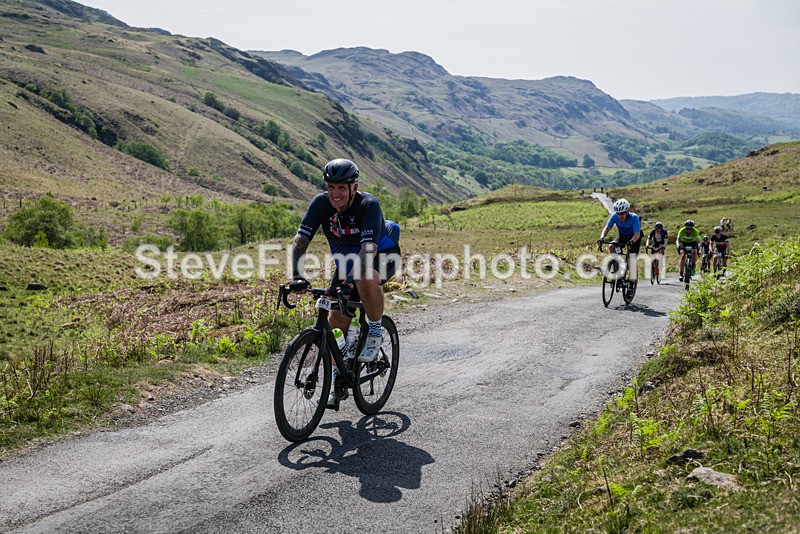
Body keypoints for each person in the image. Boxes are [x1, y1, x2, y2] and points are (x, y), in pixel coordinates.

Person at [289, 159, 401, 404]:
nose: (335, 193)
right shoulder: (320, 204)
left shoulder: (368, 205)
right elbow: (301, 241)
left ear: (354, 187)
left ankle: (374, 330)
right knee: (334, 319)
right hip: (348, 263)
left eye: (341, 188)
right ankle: (339, 377)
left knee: (364, 277)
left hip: (381, 255)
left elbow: (368, 250)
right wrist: (297, 276)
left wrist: (348, 284)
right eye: (331, 187)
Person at [598, 198, 641, 290]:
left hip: (634, 238)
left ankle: (632, 284)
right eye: (618, 214)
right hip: (622, 237)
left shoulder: (634, 217)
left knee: (631, 260)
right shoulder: (614, 217)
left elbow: (637, 234)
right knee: (611, 246)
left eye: (622, 213)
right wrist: (601, 238)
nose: (620, 216)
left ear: (627, 211)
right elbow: (607, 228)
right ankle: (616, 266)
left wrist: (631, 242)